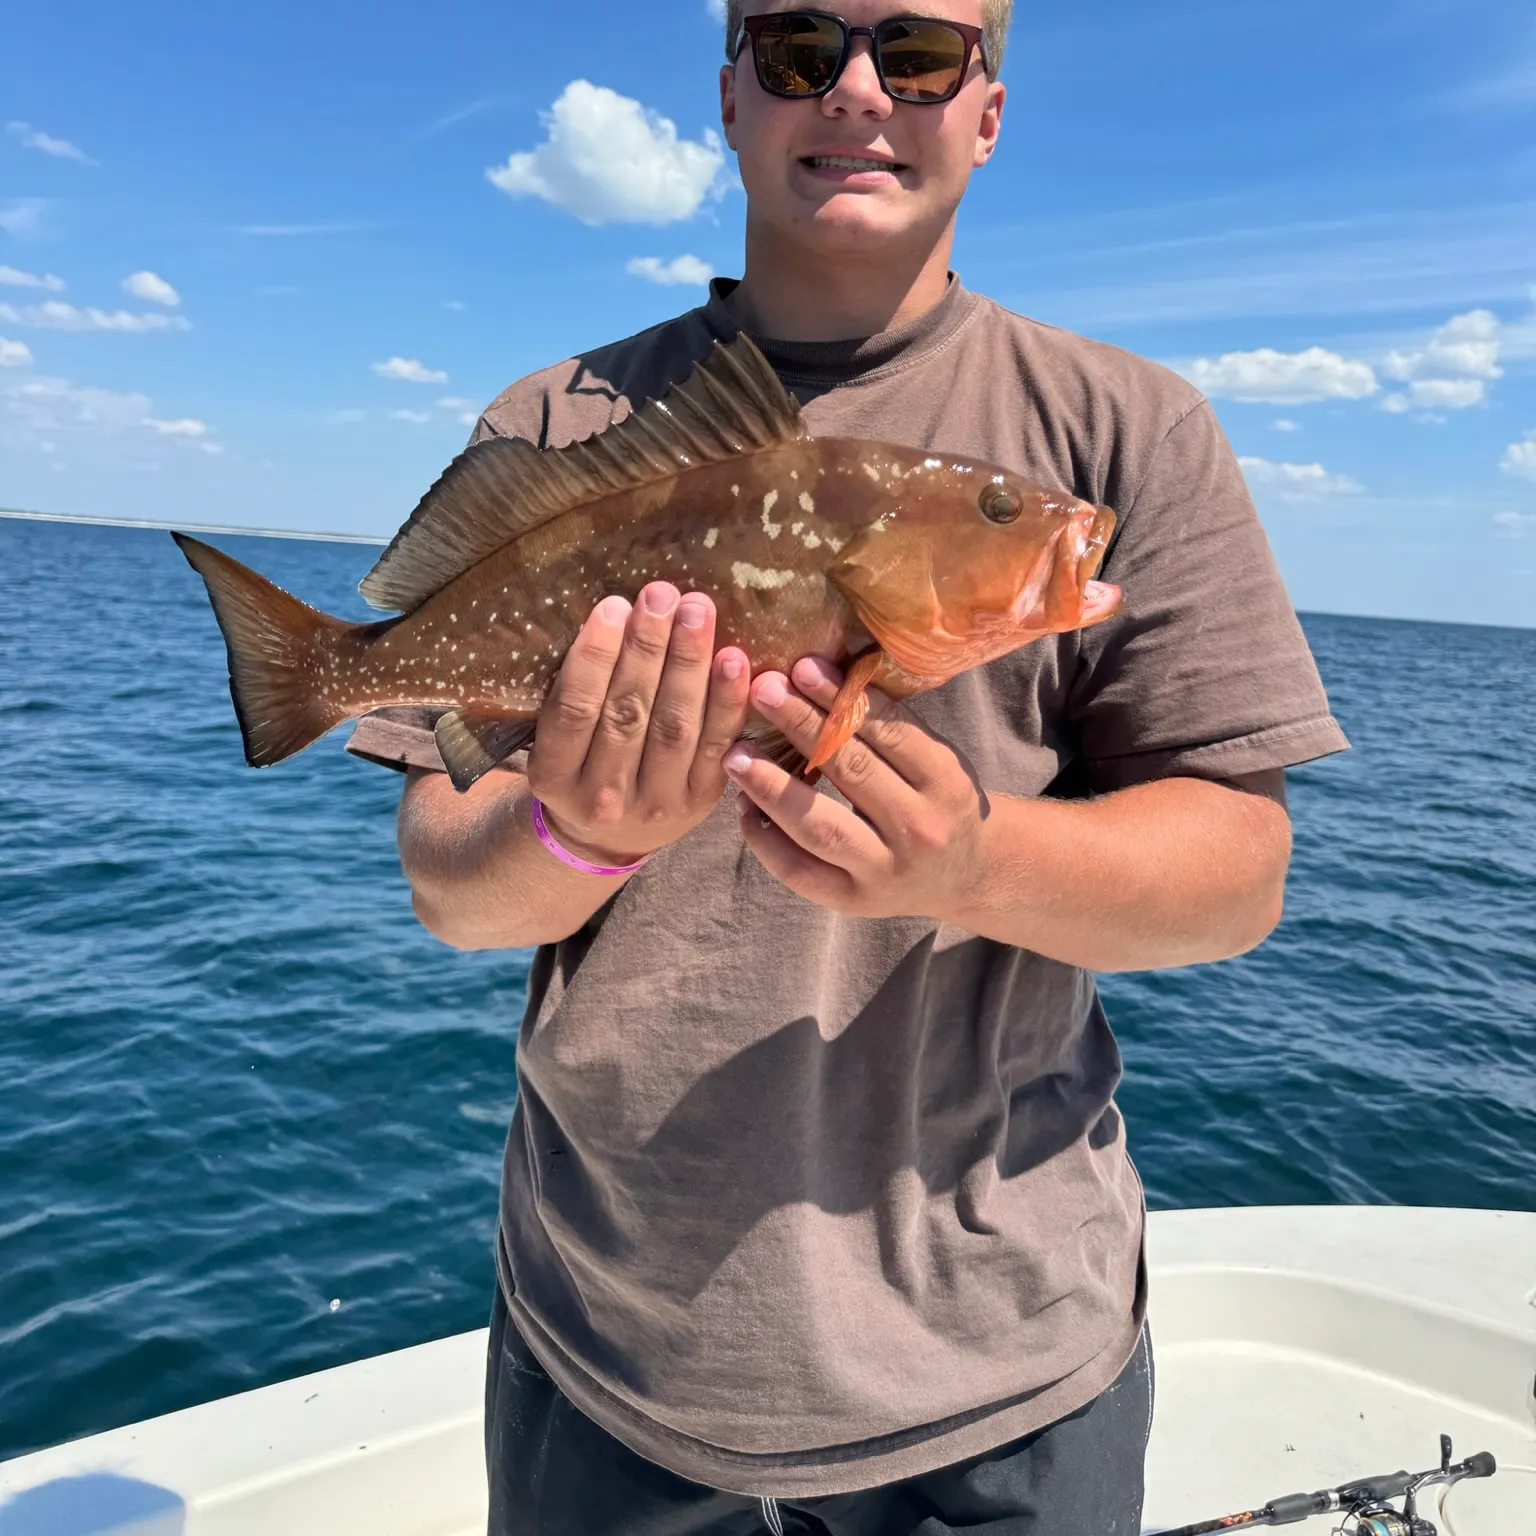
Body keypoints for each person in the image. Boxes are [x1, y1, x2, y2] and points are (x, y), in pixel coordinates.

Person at [348, 3, 1349, 1532]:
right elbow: (452, 886)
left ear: (989, 109)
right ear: (734, 98)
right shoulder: (556, 427)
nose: (863, 91)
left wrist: (974, 864)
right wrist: (573, 839)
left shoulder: (1132, 437)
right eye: (804, 48)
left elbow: (1239, 881)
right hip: (603, 1349)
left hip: (1002, 1386)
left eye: (921, 53)